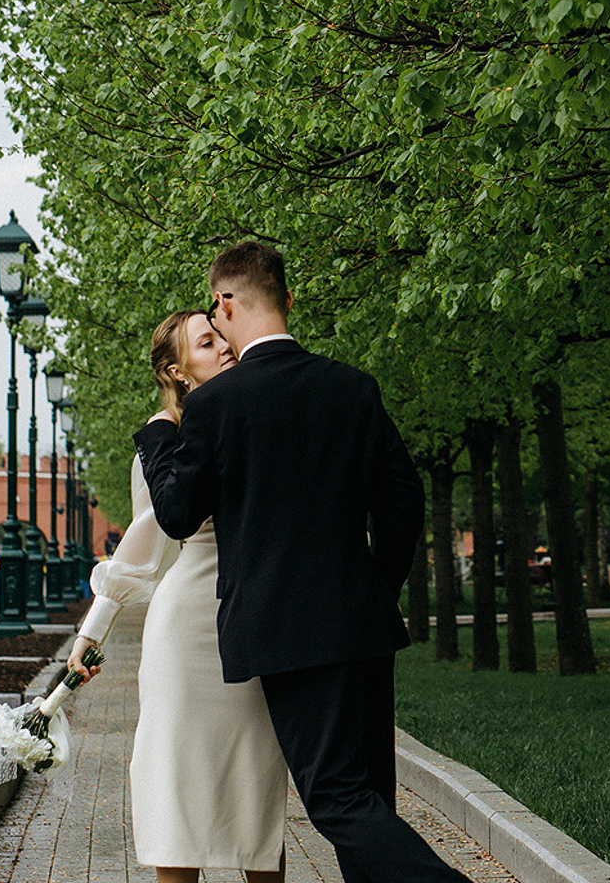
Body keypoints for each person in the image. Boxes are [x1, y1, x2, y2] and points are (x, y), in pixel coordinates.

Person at [130, 241, 461, 883]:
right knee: (369, 803)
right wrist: (373, 586)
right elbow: (403, 500)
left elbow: (175, 515)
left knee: (338, 801)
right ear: (289, 298)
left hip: (287, 634)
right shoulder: (353, 387)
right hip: (363, 626)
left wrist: (161, 436)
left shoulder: (214, 408)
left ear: (225, 303)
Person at [70, 311, 287, 883]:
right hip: (185, 624)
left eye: (222, 335)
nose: (225, 346)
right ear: (176, 369)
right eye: (206, 341)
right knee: (175, 791)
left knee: (256, 793)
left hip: (251, 619)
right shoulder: (162, 436)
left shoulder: (258, 407)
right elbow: (147, 542)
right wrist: (93, 629)